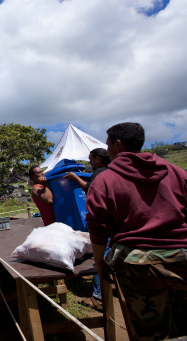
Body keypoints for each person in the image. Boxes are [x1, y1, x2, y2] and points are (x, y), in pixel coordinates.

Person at [86, 122, 187, 340]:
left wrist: (100, 262)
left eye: (108, 144)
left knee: (151, 333)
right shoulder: (177, 172)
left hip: (139, 266)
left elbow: (98, 226)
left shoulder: (105, 180)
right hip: (182, 256)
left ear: (118, 144)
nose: (107, 150)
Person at [63, 148, 111, 311]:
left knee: (101, 260)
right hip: (115, 223)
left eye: (90, 159)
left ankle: (98, 296)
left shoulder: (99, 173)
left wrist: (75, 177)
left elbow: (89, 189)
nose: (89, 162)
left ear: (97, 159)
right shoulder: (111, 172)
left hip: (104, 224)